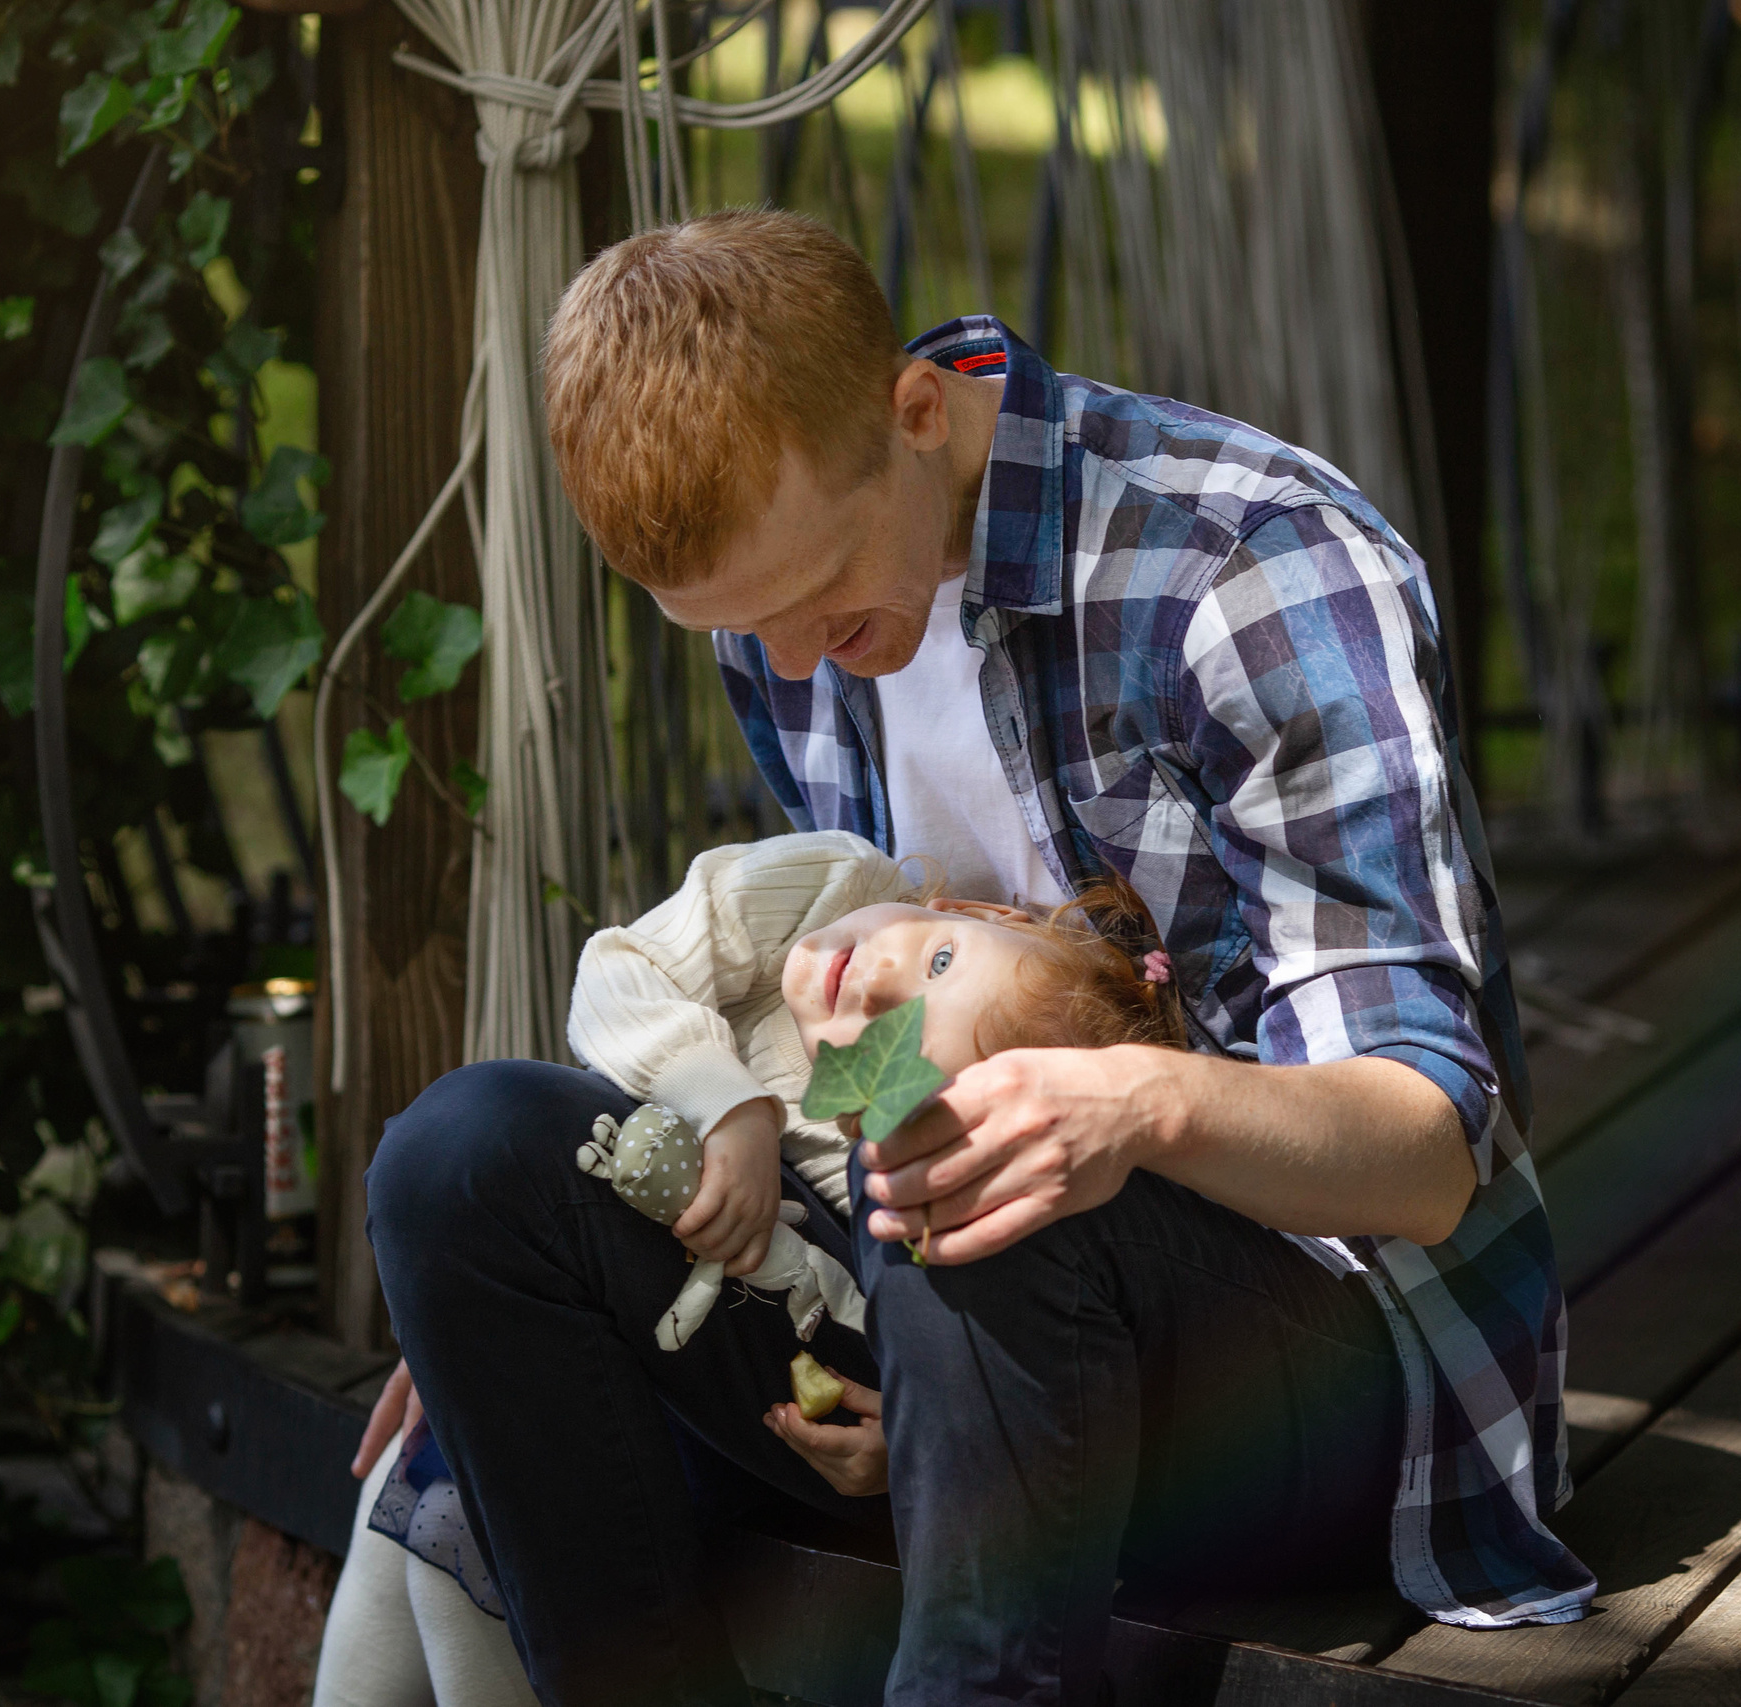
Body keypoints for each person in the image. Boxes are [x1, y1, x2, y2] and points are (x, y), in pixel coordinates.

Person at [361, 208, 1593, 1707]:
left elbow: (1426, 1153)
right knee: (467, 1162)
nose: (795, 660)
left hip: (1332, 1369)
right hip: (964, 1318)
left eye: (815, 599)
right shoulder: (800, 611)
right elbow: (871, 1050)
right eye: (743, 630)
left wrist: (1131, 1107)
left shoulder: (1247, 570)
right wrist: (555, 1281)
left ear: (915, 412)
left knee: (982, 1158)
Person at [317, 831, 1179, 1705]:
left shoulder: (899, 1158)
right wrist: (728, 1106)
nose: (876, 986)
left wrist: (932, 1428)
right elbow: (621, 966)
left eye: (889, 1050)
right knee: (423, 1490)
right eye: (940, 957)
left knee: (439, 1512)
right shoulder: (838, 881)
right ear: (971, 909)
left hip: (800, 1359)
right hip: (661, 1266)